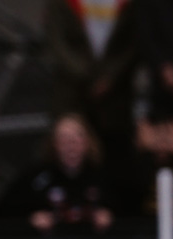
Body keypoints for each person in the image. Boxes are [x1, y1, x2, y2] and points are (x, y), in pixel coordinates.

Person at [43, 0, 140, 181]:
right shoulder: (62, 4)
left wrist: (111, 76)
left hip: (115, 99)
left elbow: (135, 41)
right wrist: (87, 76)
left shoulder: (130, 4)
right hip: (72, 94)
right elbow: (56, 41)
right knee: (68, 156)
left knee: (116, 162)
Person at [0, 113, 115, 234]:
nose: (71, 145)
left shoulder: (102, 176)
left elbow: (126, 209)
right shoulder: (36, 177)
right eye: (64, 138)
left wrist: (110, 216)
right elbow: (2, 211)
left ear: (88, 142)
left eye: (77, 137)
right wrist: (30, 219)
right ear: (54, 144)